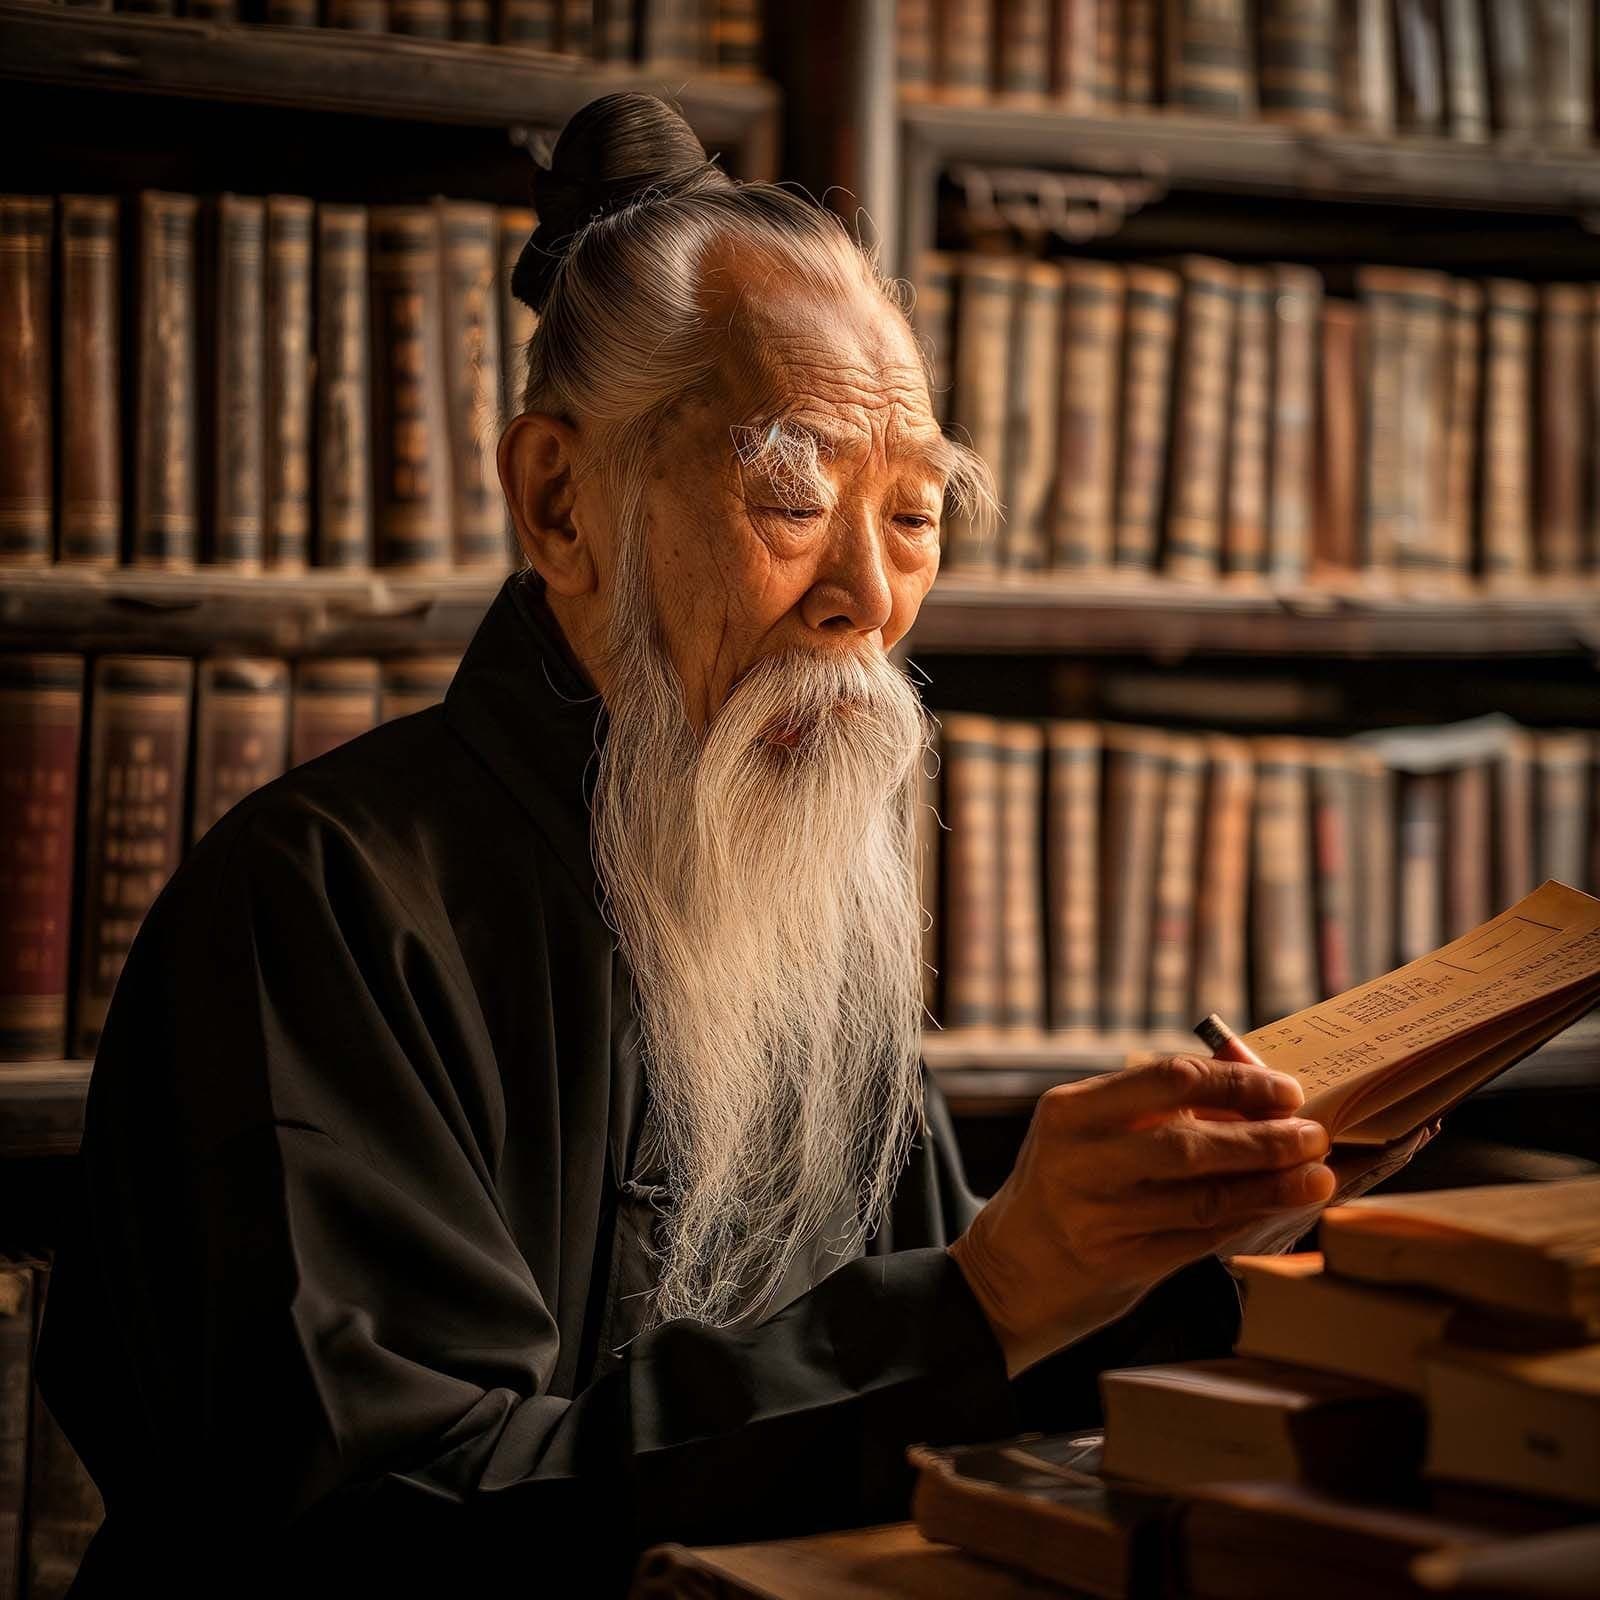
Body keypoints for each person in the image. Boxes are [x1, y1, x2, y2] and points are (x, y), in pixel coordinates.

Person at [38, 92, 1376, 1597]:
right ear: (560, 502)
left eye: (917, 515)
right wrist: (990, 1291)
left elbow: (952, 1399)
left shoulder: (788, 902)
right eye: (791, 494)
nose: (867, 597)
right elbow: (389, 1529)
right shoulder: (320, 912)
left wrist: (1185, 1240)